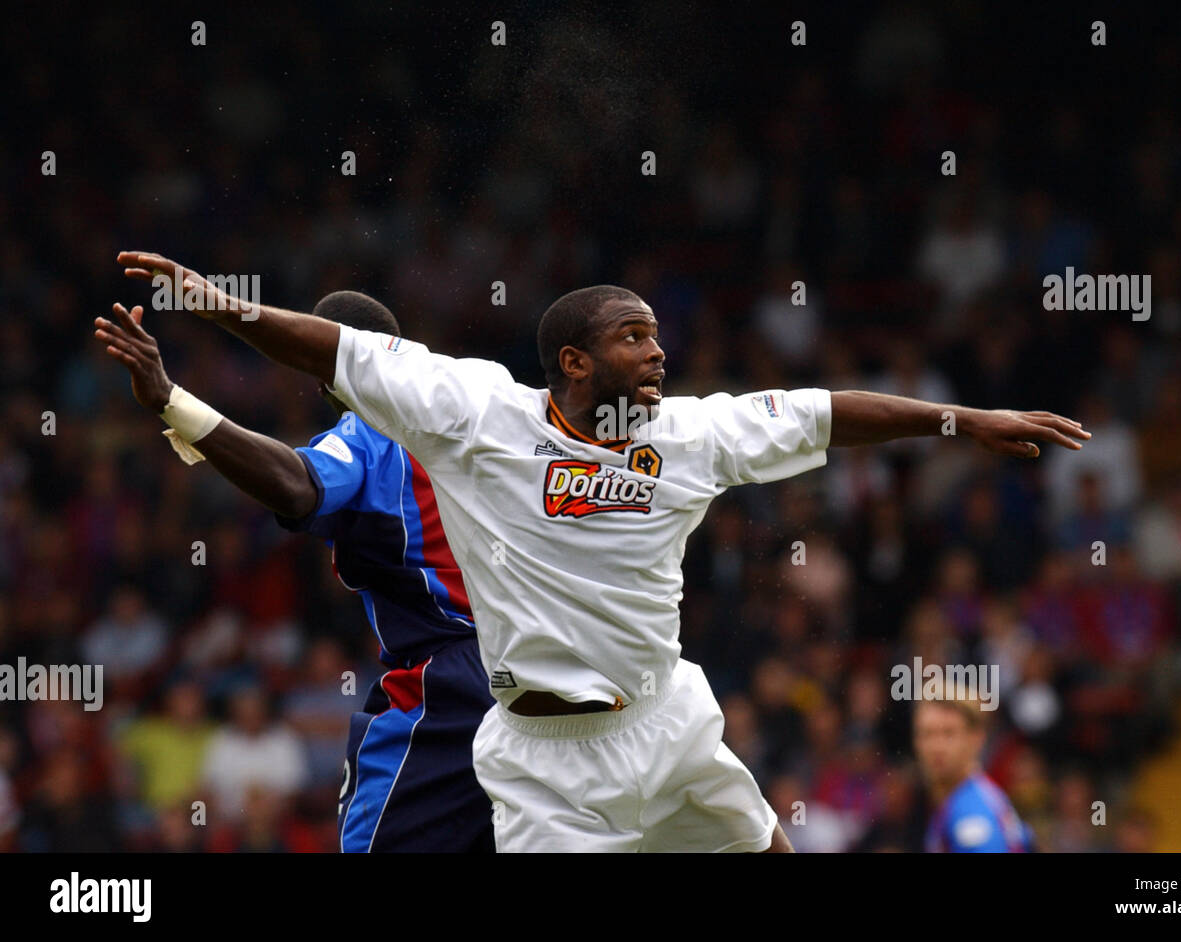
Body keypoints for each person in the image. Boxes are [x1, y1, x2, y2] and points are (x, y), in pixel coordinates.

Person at [110, 251, 1089, 852]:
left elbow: (831, 414)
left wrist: (965, 420)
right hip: (539, 746)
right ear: (573, 360)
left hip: (653, 712)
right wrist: (207, 304)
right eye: (635, 337)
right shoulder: (472, 416)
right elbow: (329, 356)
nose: (660, 353)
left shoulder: (692, 434)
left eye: (657, 336)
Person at [93, 292, 494, 853]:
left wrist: (171, 400)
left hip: (447, 691)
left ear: (325, 366)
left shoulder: (373, 433)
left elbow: (296, 483)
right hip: (544, 675)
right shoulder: (490, 409)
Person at [913, 697, 1034, 852]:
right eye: (927, 734)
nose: (937, 746)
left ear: (976, 739)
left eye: (949, 733)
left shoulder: (972, 815)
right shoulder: (958, 801)